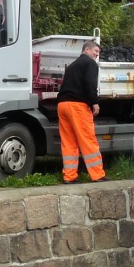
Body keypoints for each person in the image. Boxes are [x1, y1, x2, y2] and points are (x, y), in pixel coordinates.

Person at [57, 40, 106, 183]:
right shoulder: (90, 63)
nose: (97, 55)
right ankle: (97, 174)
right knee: (87, 139)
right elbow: (90, 83)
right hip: (77, 106)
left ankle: (69, 176)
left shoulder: (71, 66)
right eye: (95, 51)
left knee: (68, 142)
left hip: (62, 105)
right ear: (86, 50)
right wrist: (94, 102)